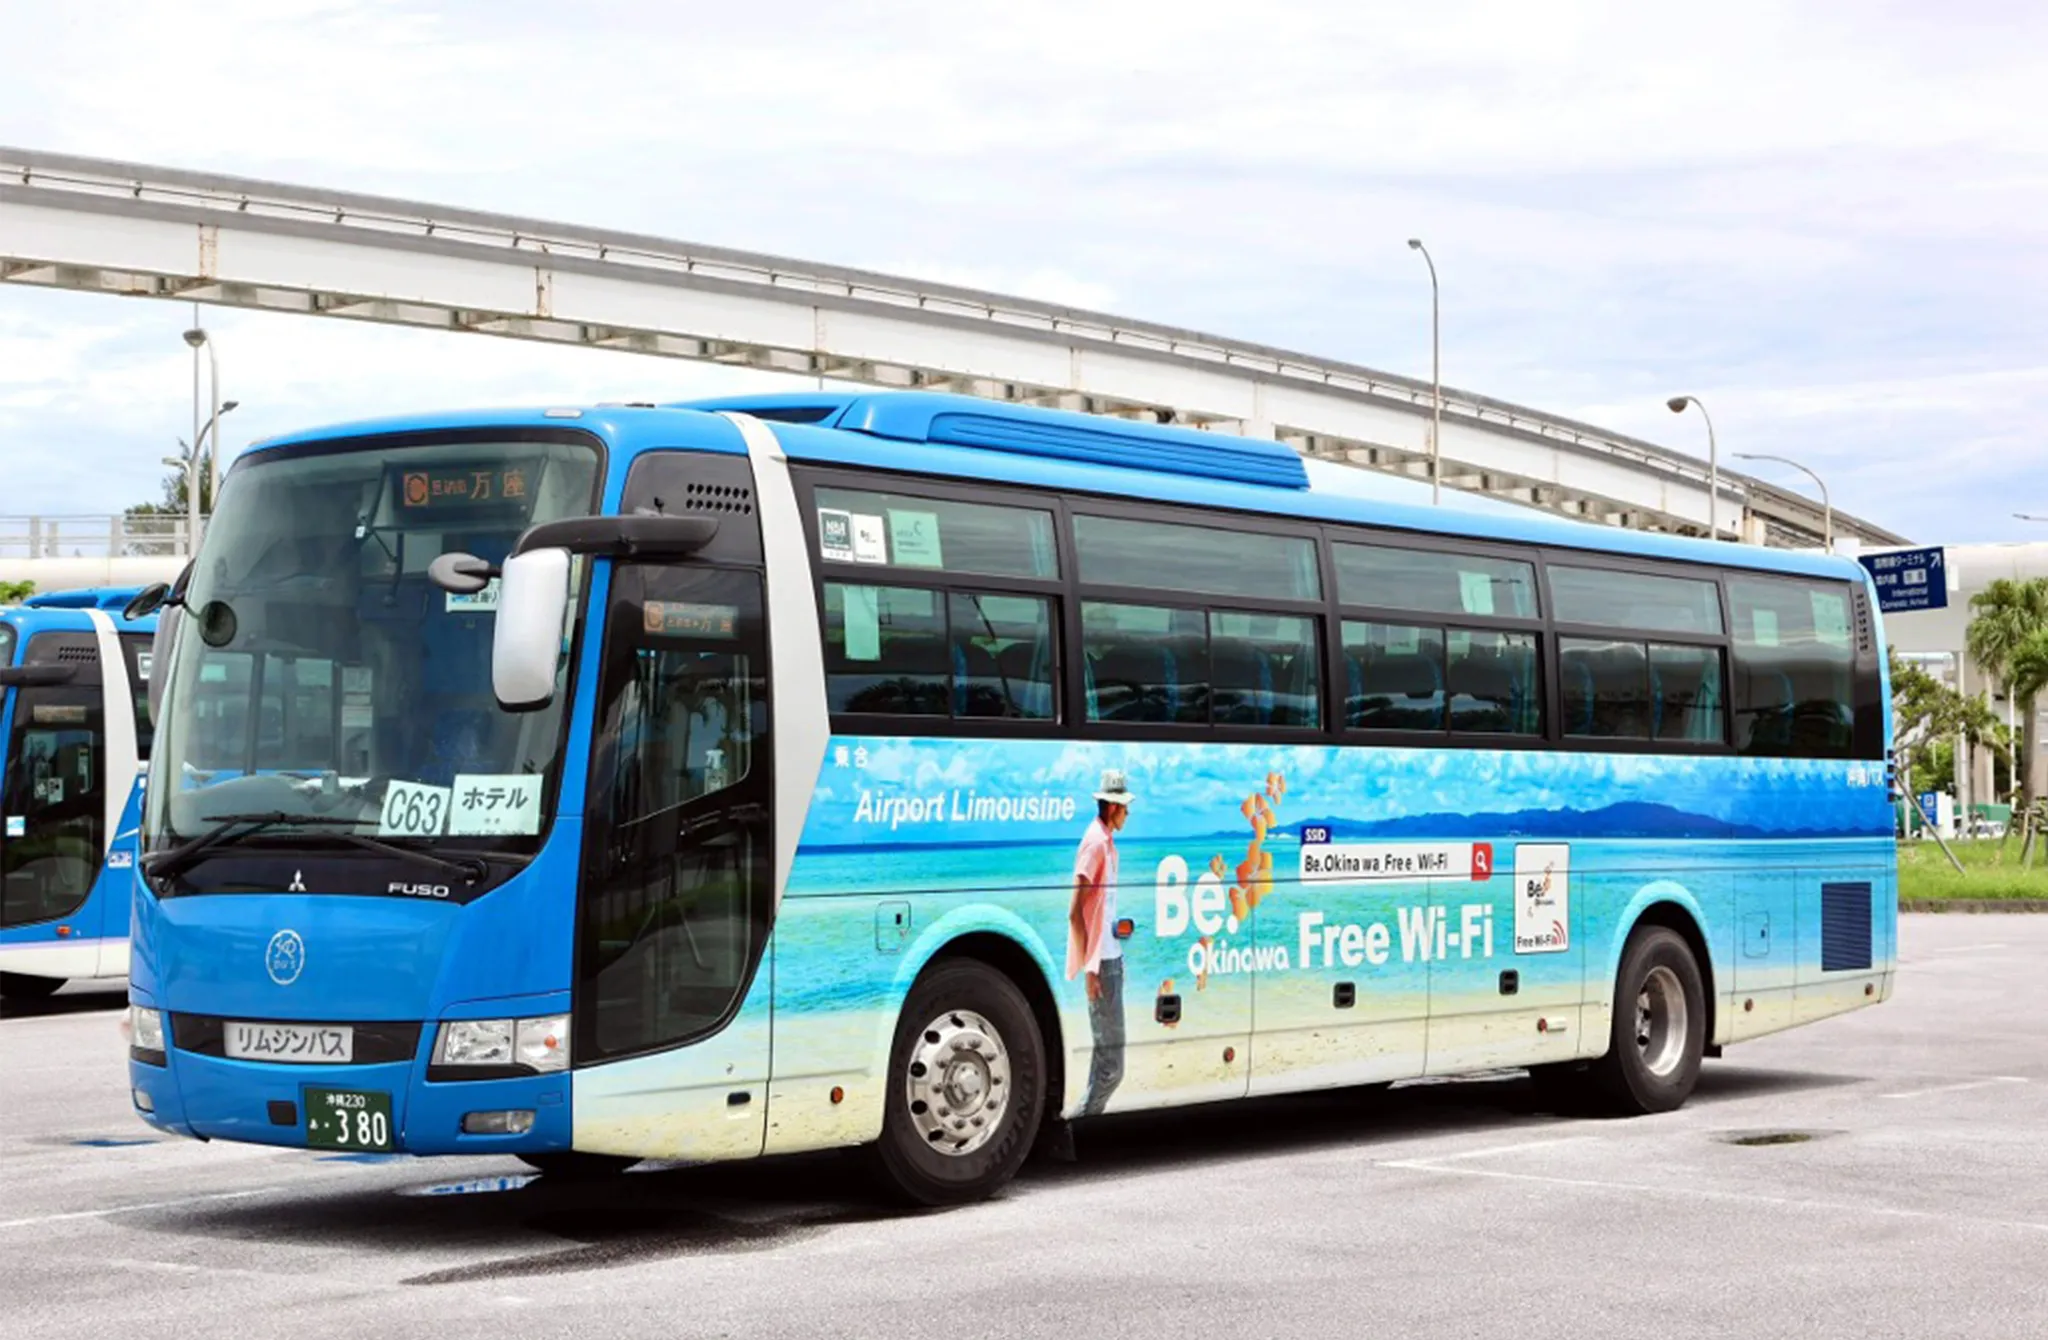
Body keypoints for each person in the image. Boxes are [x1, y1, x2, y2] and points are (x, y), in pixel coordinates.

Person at [1067, 767, 1133, 1117]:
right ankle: (1083, 1122)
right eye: (1124, 807)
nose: (1128, 813)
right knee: (1112, 1068)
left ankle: (1086, 1121)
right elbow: (1074, 912)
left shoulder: (1106, 842)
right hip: (1101, 966)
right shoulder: (1094, 844)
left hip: (1111, 961)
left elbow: (1099, 910)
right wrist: (1090, 969)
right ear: (1111, 807)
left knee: (1104, 1062)